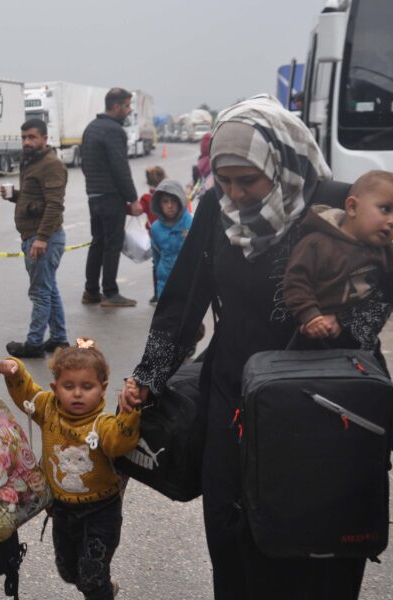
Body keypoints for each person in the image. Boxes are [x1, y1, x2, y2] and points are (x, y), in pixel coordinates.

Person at [122, 95, 372, 599]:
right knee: (233, 534)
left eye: (248, 180)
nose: (235, 193)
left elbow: (376, 302)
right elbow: (183, 299)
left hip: (321, 406)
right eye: (225, 179)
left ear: (280, 161)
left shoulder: (337, 206)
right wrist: (149, 375)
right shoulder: (216, 209)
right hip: (233, 398)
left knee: (316, 547)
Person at [283, 169, 393, 464]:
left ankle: (391, 434)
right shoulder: (316, 243)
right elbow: (296, 282)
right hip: (315, 336)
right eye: (385, 209)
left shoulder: (384, 251)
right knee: (302, 388)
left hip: (359, 340)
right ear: (352, 207)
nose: (392, 222)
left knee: (381, 388)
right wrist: (310, 316)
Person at [0, 338, 140, 600]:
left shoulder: (102, 424)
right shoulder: (48, 408)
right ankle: (102, 586)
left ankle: (101, 589)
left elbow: (119, 441)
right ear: (55, 388)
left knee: (92, 577)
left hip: (101, 511)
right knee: (69, 571)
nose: (77, 393)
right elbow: (28, 394)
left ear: (102, 388)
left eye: (87, 386)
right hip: (62, 510)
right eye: (69, 386)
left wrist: (130, 412)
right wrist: (14, 369)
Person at [0, 117, 69, 358]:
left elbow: (54, 205)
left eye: (32, 137)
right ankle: (59, 338)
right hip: (35, 236)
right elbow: (35, 199)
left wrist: (41, 238)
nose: (27, 142)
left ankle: (34, 343)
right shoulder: (31, 162)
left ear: (44, 138)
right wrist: (14, 196)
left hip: (44, 239)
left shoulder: (51, 165)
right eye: (24, 138)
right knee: (49, 290)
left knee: (40, 293)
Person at [80, 88, 143, 307]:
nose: (129, 110)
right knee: (112, 244)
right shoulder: (114, 131)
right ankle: (110, 293)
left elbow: (85, 164)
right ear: (116, 106)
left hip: (94, 196)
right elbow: (120, 168)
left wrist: (93, 187)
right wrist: (133, 199)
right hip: (110, 197)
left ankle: (90, 291)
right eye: (127, 105)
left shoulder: (91, 128)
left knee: (97, 242)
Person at [149, 179, 193, 300]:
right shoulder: (155, 228)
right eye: (165, 201)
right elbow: (156, 256)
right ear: (159, 204)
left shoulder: (191, 224)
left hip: (188, 283)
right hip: (165, 283)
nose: (169, 205)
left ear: (180, 201)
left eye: (174, 201)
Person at [139, 166, 166, 304]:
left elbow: (135, 210)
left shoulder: (146, 199)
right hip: (172, 236)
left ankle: (157, 295)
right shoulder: (169, 197)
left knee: (157, 265)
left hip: (155, 238)